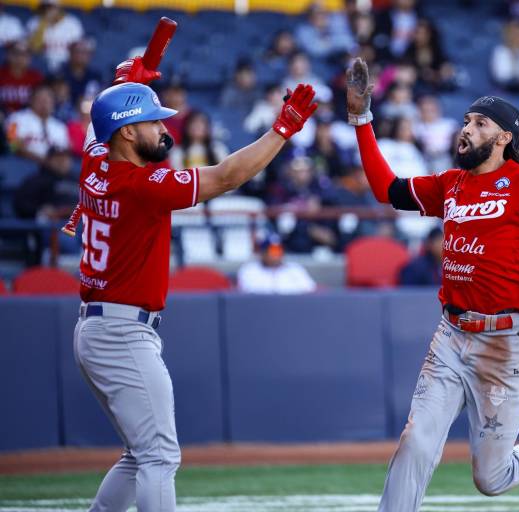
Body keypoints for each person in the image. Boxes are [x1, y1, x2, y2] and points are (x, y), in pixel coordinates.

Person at [346, 57, 519, 511]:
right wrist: (361, 116)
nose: (465, 128)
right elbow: (386, 189)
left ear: (503, 137)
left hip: (506, 343)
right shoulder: (451, 183)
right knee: (416, 440)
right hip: (450, 336)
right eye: (465, 120)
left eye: (479, 122)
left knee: (491, 478)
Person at [71, 54, 316, 511]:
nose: (166, 129)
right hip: (121, 330)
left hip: (101, 326)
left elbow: (97, 126)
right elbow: (228, 176)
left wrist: (126, 80)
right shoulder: (142, 185)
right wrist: (283, 129)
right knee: (160, 455)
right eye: (151, 122)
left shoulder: (96, 161)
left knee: (139, 454)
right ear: (127, 132)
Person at [5, 83, 70, 163]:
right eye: (40, 99)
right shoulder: (14, 118)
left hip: (53, 171)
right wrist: (42, 161)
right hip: (23, 164)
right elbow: (12, 144)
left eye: (47, 99)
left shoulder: (61, 127)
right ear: (31, 100)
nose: (44, 103)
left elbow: (64, 152)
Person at [237, 234, 317, 294]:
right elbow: (249, 293)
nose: (277, 255)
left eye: (279, 250)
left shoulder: (295, 269)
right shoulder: (250, 270)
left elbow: (310, 291)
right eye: (273, 251)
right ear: (262, 253)